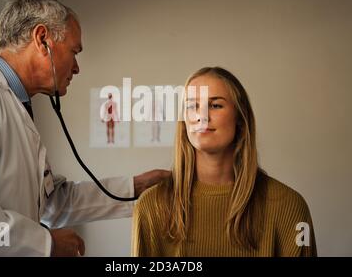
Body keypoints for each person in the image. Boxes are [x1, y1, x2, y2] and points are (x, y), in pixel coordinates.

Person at [0, 0, 169, 256]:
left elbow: (53, 203)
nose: (76, 68)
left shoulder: (18, 107)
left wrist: (135, 187)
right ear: (42, 39)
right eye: (74, 52)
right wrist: (46, 244)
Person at [131, 67, 317, 256]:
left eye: (215, 105)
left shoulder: (290, 206)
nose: (201, 116)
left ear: (240, 119)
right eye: (192, 106)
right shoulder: (150, 206)